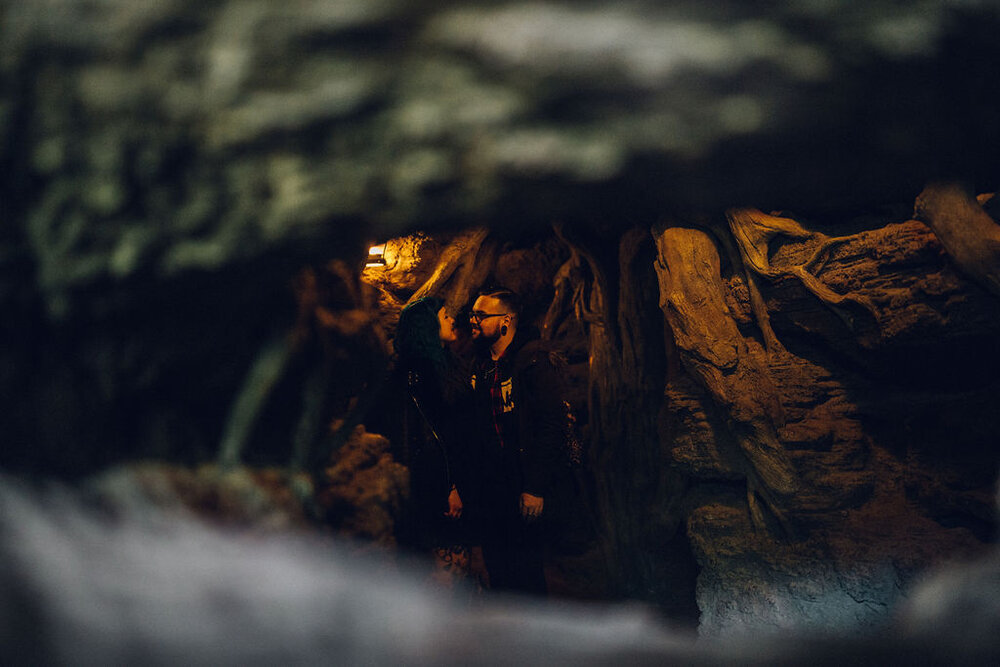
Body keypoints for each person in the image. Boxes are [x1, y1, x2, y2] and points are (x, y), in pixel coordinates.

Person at [467, 289, 566, 595]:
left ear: (506, 320)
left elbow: (551, 425)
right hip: (490, 487)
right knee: (497, 568)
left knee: (526, 572)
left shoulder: (534, 360)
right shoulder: (479, 365)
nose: (473, 320)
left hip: (522, 484)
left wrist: (535, 487)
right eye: (473, 314)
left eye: (481, 315)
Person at [393, 296, 475, 586]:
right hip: (438, 487)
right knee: (443, 570)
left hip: (458, 479)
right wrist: (449, 486)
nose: (452, 320)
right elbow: (429, 436)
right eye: (444, 316)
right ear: (427, 326)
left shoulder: (449, 364)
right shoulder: (418, 376)